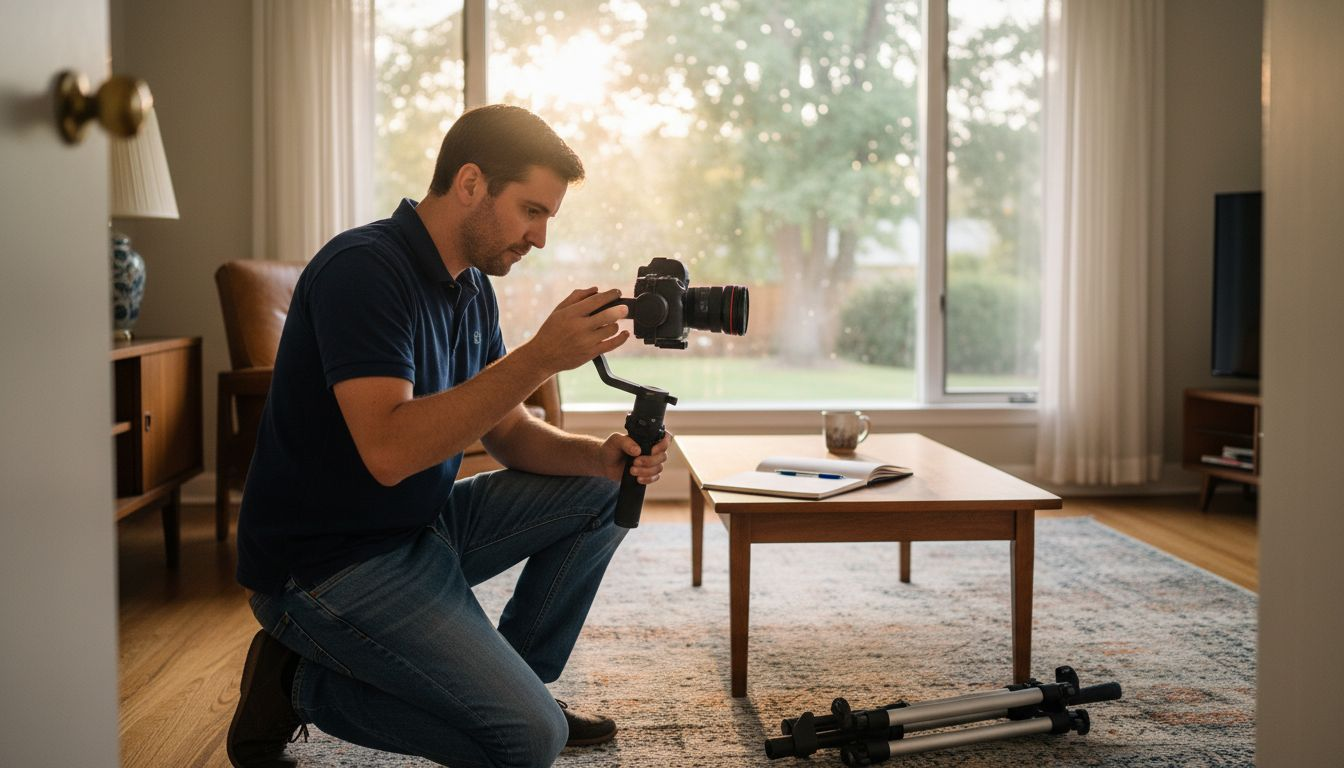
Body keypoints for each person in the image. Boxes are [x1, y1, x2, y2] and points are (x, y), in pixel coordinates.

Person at [225, 104, 670, 768]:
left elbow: (509, 433)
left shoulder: (471, 288)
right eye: (531, 211)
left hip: (420, 526)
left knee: (604, 491)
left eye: (548, 217)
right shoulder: (363, 269)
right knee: (528, 743)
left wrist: (603, 459)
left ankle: (517, 682)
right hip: (328, 565)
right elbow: (389, 452)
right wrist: (540, 357)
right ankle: (294, 684)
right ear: (470, 184)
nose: (540, 237)